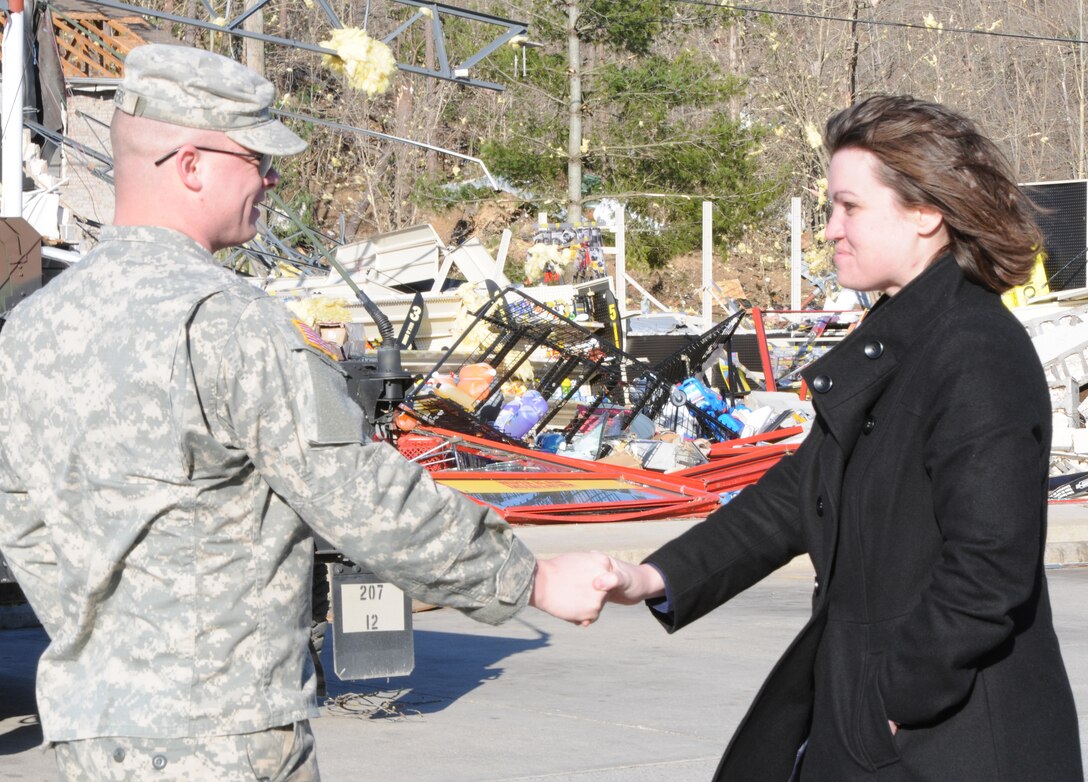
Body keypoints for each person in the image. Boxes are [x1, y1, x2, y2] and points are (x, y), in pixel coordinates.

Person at [0, 43, 608, 781]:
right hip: (223, 736)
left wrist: (97, 631)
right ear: (191, 165)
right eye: (258, 159)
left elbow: (18, 518)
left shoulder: (31, 328)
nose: (273, 179)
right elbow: (359, 495)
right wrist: (527, 579)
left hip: (91, 735)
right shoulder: (225, 323)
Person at [593, 95, 1083, 780]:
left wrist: (891, 699)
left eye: (849, 207)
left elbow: (987, 571)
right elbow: (801, 491)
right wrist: (656, 575)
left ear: (925, 214)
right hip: (876, 725)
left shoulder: (974, 355)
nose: (829, 230)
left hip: (949, 743)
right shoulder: (902, 340)